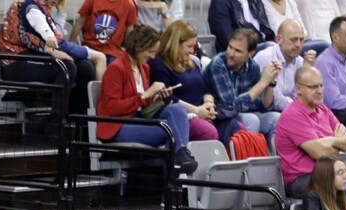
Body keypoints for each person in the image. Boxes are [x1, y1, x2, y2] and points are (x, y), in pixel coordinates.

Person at [97, 24, 200, 174]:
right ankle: (172, 182)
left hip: (138, 118)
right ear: (139, 47)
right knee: (171, 131)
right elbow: (113, 108)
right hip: (118, 125)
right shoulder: (116, 68)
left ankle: (181, 156)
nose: (153, 57)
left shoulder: (143, 67)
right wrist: (145, 95)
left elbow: (142, 106)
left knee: (177, 110)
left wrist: (155, 97)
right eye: (150, 52)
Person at [0, 0, 99, 112]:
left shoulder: (42, 9)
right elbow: (25, 37)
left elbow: (56, 39)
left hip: (37, 57)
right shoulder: (25, 6)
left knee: (84, 67)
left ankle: (78, 120)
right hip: (16, 62)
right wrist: (50, 49)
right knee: (66, 68)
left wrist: (61, 13)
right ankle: (57, 122)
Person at [276, 65, 346, 195]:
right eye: (313, 87)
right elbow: (319, 153)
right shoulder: (292, 114)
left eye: (321, 85)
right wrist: (337, 141)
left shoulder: (323, 109)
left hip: (328, 172)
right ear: (298, 89)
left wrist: (328, 142)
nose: (319, 91)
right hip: (301, 179)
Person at [149, 21, 226, 141]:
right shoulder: (158, 64)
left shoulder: (191, 62)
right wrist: (196, 111)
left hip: (201, 111)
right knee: (208, 131)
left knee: (235, 127)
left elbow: (206, 88)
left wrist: (209, 104)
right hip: (182, 115)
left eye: (194, 46)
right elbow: (168, 99)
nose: (192, 51)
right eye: (189, 46)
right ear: (175, 44)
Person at [204, 27, 283, 139]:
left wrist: (270, 82)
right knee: (252, 120)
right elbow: (232, 105)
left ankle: (275, 156)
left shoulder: (252, 67)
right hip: (222, 118)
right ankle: (249, 155)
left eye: (238, 51)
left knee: (276, 118)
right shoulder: (218, 64)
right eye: (230, 47)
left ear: (250, 53)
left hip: (245, 113)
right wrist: (262, 83)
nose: (231, 54)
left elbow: (264, 107)